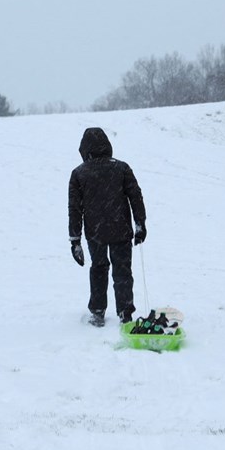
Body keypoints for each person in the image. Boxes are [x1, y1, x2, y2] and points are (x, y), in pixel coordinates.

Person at [68, 127, 147, 327]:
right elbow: (136, 197)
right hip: (121, 229)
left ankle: (97, 312)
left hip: (95, 232)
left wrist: (75, 240)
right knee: (123, 272)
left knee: (99, 268)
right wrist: (140, 224)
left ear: (85, 149)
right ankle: (125, 313)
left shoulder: (79, 174)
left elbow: (74, 209)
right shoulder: (122, 168)